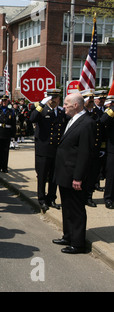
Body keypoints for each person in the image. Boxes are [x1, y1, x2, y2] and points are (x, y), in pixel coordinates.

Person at [53, 92, 95, 254]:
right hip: (65, 172)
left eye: (66, 104)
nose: (63, 107)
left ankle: (78, 243)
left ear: (76, 105)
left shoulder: (87, 123)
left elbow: (85, 153)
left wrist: (78, 177)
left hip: (74, 174)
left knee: (76, 208)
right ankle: (68, 235)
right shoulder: (73, 119)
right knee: (67, 206)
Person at [29, 89, 67, 213]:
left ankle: (51, 198)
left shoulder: (61, 112)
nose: (53, 100)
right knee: (42, 176)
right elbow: (32, 119)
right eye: (51, 97)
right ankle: (41, 199)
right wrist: (40, 104)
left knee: (54, 177)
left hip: (56, 150)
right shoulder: (42, 110)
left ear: (59, 99)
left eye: (55, 98)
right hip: (43, 150)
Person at [100, 95, 114, 210]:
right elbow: (102, 121)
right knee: (111, 175)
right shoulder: (111, 112)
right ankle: (109, 198)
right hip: (112, 148)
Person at [0, 96, 16, 173]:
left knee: (5, 151)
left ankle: (4, 167)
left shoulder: (11, 111)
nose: (4, 102)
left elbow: (13, 123)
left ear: (7, 102)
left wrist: (13, 135)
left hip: (7, 133)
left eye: (5, 101)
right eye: (3, 101)